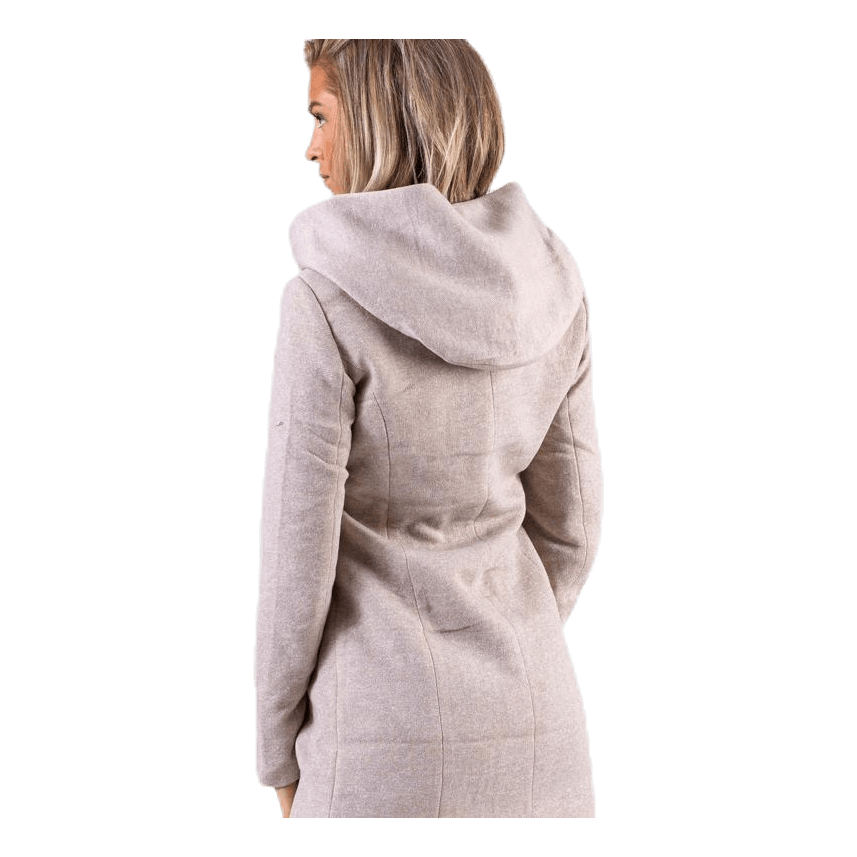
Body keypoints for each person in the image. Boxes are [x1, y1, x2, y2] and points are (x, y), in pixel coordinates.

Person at [255, 39, 603, 819]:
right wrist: (508, 642)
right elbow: (572, 530)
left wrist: (275, 749)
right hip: (539, 734)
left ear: (378, 121)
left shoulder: (321, 300)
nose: (309, 147)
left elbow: (294, 559)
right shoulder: (553, 285)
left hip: (376, 736)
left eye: (320, 117)